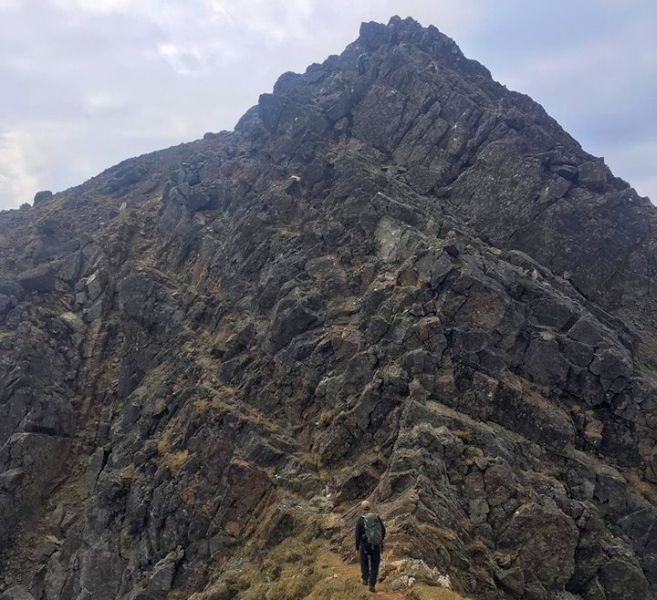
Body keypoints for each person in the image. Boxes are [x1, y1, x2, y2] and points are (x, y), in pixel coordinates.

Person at [355, 500, 386, 592]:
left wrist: (357, 547)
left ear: (362, 508)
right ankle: (372, 584)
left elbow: (357, 534)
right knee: (375, 565)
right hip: (376, 545)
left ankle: (365, 579)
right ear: (370, 507)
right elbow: (383, 530)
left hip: (364, 545)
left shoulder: (360, 519)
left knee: (364, 561)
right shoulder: (376, 517)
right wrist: (380, 540)